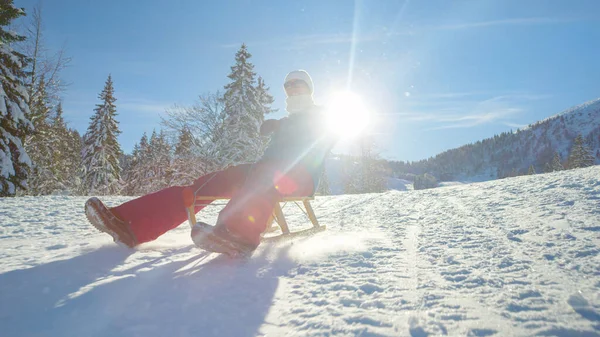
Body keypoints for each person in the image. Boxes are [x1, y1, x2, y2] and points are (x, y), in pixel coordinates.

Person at [85, 70, 337, 255]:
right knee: (216, 180)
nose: (292, 88)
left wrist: (287, 126)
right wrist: (283, 125)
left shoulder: (321, 116)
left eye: (298, 84)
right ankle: (130, 224)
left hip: (300, 176)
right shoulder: (288, 120)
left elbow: (318, 143)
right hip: (266, 171)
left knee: (265, 173)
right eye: (288, 85)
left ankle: (237, 233)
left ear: (309, 88)